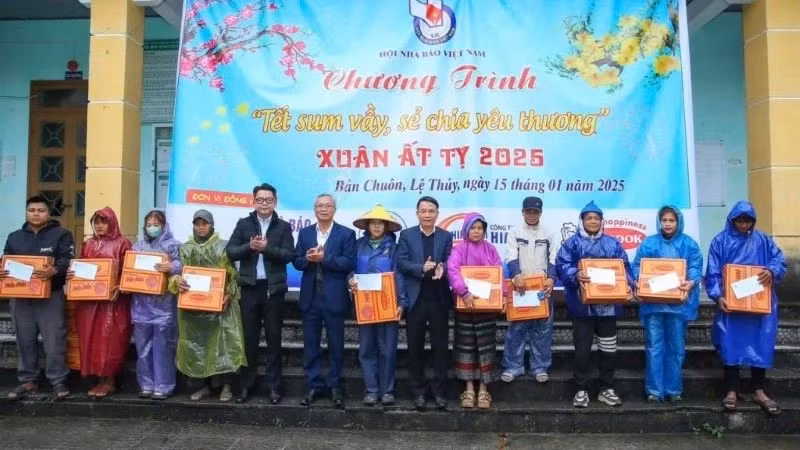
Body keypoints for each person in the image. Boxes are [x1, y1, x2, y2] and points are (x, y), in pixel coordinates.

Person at [705, 200, 786, 415]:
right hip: (732, 306)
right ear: (732, 220)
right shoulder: (720, 241)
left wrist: (772, 270)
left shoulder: (764, 240)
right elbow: (712, 271)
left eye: (747, 221)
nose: (743, 224)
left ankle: (759, 389)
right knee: (730, 343)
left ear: (753, 221)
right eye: (739, 220)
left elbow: (779, 260)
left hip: (760, 305)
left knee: (761, 343)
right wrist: (717, 295)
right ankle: (731, 389)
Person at [556, 201, 633, 408]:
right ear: (582, 221)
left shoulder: (613, 244)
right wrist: (575, 274)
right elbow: (562, 266)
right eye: (589, 217)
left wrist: (628, 285)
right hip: (582, 308)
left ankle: (606, 388)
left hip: (608, 308)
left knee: (608, 349)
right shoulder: (571, 244)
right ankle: (581, 390)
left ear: (601, 221)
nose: (593, 221)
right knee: (582, 350)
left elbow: (624, 268)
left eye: (596, 218)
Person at [226, 183, 295, 404]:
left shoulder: (283, 227)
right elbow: (231, 251)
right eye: (260, 200)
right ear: (253, 201)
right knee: (249, 340)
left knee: (274, 341)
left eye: (268, 200)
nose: (264, 203)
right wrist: (250, 247)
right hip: (249, 289)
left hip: (273, 290)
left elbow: (288, 255)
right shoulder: (244, 224)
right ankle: (246, 386)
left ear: (275, 201)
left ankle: (274, 387)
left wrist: (267, 249)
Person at [3, 195, 74, 401]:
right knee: (24, 340)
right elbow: (7, 259)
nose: (36, 214)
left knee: (54, 340)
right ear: (26, 213)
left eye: (40, 210)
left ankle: (58, 380)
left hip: (51, 295)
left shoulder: (62, 234)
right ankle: (28, 380)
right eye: (32, 210)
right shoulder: (14, 236)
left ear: (49, 213)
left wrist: (55, 270)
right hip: (20, 296)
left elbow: (68, 260)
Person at [172, 210, 246, 402]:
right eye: (197, 223)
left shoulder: (223, 246)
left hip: (221, 307)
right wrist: (177, 281)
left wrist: (229, 294)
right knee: (196, 345)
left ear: (211, 225)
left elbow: (233, 273)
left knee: (223, 345)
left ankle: (226, 386)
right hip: (192, 309)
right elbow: (176, 273)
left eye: (204, 223)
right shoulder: (185, 248)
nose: (201, 227)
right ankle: (201, 386)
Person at [632, 205, 703, 403]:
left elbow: (696, 265)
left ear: (678, 222)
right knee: (654, 346)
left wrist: (692, 281)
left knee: (676, 347)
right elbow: (637, 265)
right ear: (659, 222)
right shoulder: (649, 243)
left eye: (672, 220)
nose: (668, 224)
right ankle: (654, 390)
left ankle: (673, 390)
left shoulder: (689, 243)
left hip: (678, 306)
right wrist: (638, 280)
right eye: (665, 220)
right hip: (654, 305)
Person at [293, 194, 355, 408]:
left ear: (334, 209)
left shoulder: (346, 234)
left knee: (336, 346)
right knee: (311, 346)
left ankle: (336, 387)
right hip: (310, 298)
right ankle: (313, 386)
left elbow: (348, 262)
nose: (324, 209)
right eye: (320, 205)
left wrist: (324, 259)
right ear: (314, 209)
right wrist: (308, 259)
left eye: (328, 206)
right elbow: (297, 261)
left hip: (334, 298)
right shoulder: (305, 233)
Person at [396, 196, 453, 411]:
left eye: (431, 211)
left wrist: (442, 268)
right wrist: (421, 268)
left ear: (437, 214)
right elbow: (401, 262)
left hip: (439, 300)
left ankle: (440, 392)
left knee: (440, 349)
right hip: (415, 300)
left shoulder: (446, 236)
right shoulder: (406, 235)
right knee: (415, 350)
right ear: (417, 213)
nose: (427, 215)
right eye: (424, 211)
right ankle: (418, 392)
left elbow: (451, 261)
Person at [347, 204, 407, 406]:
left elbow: (399, 276)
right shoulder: (357, 245)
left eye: (381, 223)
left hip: (388, 306)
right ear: (367, 225)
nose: (377, 226)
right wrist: (351, 281)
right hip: (364, 306)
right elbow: (350, 270)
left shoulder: (395, 249)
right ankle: (371, 390)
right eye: (373, 222)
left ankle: (387, 391)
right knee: (366, 349)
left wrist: (402, 302)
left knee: (387, 350)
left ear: (387, 226)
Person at [70, 207, 132, 398]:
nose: (100, 225)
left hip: (113, 303)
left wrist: (120, 286)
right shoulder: (87, 245)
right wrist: (74, 274)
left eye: (103, 221)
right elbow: (83, 269)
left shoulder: (123, 244)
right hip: (89, 304)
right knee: (92, 340)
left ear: (112, 223)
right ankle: (98, 378)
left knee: (110, 341)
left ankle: (110, 380)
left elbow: (130, 271)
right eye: (96, 222)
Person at [447, 213, 506, 409]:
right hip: (465, 307)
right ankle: (469, 388)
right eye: (473, 228)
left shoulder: (491, 250)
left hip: (486, 310)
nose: (476, 231)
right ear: (466, 230)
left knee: (485, 347)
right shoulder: (459, 249)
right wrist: (463, 292)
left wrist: (503, 296)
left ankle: (483, 390)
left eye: (480, 228)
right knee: (466, 347)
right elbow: (452, 271)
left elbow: (499, 274)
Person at [502, 197, 559, 384]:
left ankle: (539, 366)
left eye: (535, 212)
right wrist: (516, 274)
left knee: (543, 329)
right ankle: (513, 366)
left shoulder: (549, 233)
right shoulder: (514, 232)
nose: (532, 215)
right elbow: (510, 255)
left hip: (542, 288)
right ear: (522, 212)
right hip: (520, 287)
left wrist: (551, 277)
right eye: (528, 211)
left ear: (540, 213)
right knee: (516, 328)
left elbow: (554, 257)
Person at [131, 210, 182, 400]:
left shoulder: (174, 246)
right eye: (149, 224)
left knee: (164, 346)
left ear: (164, 225)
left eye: (156, 223)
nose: (152, 227)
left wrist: (173, 267)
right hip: (141, 304)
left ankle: (164, 385)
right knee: (142, 347)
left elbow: (185, 266)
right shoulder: (137, 247)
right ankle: (146, 384)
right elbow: (128, 271)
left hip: (164, 305)